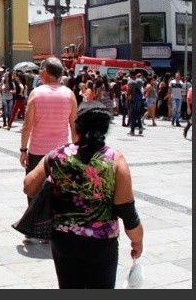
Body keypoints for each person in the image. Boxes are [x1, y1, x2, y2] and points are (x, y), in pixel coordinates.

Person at [23, 101, 144, 289]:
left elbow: (29, 187)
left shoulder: (57, 155)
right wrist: (137, 240)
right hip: (101, 244)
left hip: (64, 239)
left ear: (77, 125)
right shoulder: (115, 159)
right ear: (104, 129)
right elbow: (126, 209)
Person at [20, 57, 79, 240]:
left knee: (33, 188)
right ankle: (56, 228)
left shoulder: (36, 93)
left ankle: (36, 228)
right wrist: (76, 149)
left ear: (45, 72)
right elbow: (74, 125)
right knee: (59, 190)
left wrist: (23, 149)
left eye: (40, 71)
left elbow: (27, 125)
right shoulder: (69, 94)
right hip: (62, 151)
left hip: (38, 151)